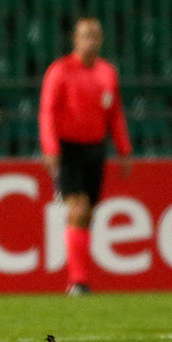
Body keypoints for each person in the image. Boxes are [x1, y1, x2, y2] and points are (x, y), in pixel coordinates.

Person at [39, 17, 132, 295]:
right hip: (68, 149)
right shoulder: (60, 70)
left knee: (88, 212)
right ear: (75, 39)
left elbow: (114, 114)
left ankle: (80, 278)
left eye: (95, 35)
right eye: (85, 35)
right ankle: (78, 281)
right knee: (78, 208)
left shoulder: (107, 72)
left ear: (101, 40)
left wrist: (123, 149)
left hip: (95, 148)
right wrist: (51, 148)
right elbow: (47, 112)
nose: (90, 40)